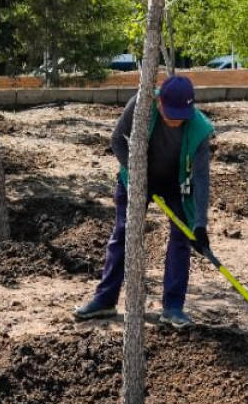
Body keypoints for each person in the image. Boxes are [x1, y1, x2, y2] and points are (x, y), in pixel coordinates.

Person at [74, 76, 214, 329]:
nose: (175, 120)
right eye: (171, 113)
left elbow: (202, 177)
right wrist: (138, 173)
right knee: (123, 234)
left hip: (175, 184)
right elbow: (116, 140)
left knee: (181, 240)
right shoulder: (140, 106)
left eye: (181, 114)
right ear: (159, 101)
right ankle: (105, 300)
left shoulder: (199, 128)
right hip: (136, 178)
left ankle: (173, 307)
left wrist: (200, 225)